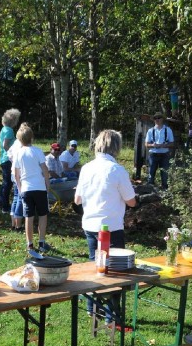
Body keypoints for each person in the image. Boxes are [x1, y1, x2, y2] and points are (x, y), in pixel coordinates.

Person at [74, 130, 137, 316]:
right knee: (115, 270)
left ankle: (92, 307)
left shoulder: (87, 168)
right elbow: (131, 201)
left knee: (95, 265)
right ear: (116, 147)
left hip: (90, 224)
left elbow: (77, 200)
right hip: (111, 226)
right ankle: (112, 313)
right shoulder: (117, 170)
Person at [12, 123, 52, 257]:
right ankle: (42, 242)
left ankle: (29, 244)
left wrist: (20, 188)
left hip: (26, 189)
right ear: (32, 138)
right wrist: (47, 183)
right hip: (39, 188)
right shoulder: (38, 151)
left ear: (19, 140)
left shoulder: (18, 153)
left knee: (28, 217)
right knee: (42, 215)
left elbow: (16, 174)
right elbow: (44, 169)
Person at [0, 108, 21, 214]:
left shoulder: (4, 129)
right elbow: (5, 144)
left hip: (3, 159)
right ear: (13, 120)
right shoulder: (9, 130)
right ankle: (5, 207)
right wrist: (12, 155)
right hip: (8, 160)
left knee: (5, 183)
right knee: (8, 183)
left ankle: (1, 203)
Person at [144, 112, 174, 189]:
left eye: (159, 118)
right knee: (151, 174)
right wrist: (153, 145)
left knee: (164, 175)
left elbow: (172, 143)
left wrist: (164, 145)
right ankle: (150, 190)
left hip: (164, 155)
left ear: (162, 119)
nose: (157, 119)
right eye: (155, 118)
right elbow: (146, 144)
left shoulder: (168, 130)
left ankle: (164, 191)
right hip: (153, 155)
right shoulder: (150, 131)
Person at [7, 138, 24, 230]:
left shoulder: (15, 143)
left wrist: (13, 161)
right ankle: (18, 225)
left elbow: (9, 154)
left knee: (16, 197)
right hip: (20, 173)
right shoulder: (22, 144)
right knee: (20, 198)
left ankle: (13, 223)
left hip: (14, 172)